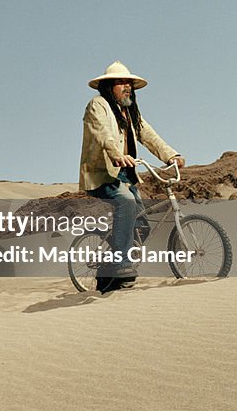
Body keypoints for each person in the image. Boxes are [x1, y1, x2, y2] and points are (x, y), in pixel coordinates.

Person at [79, 62, 185, 293]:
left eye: (128, 83)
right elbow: (102, 134)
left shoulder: (130, 110)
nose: (126, 87)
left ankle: (111, 270)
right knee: (126, 202)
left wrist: (171, 155)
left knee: (142, 226)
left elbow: (149, 135)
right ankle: (121, 263)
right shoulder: (98, 105)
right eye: (120, 82)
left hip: (127, 176)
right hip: (103, 175)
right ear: (108, 86)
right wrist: (117, 155)